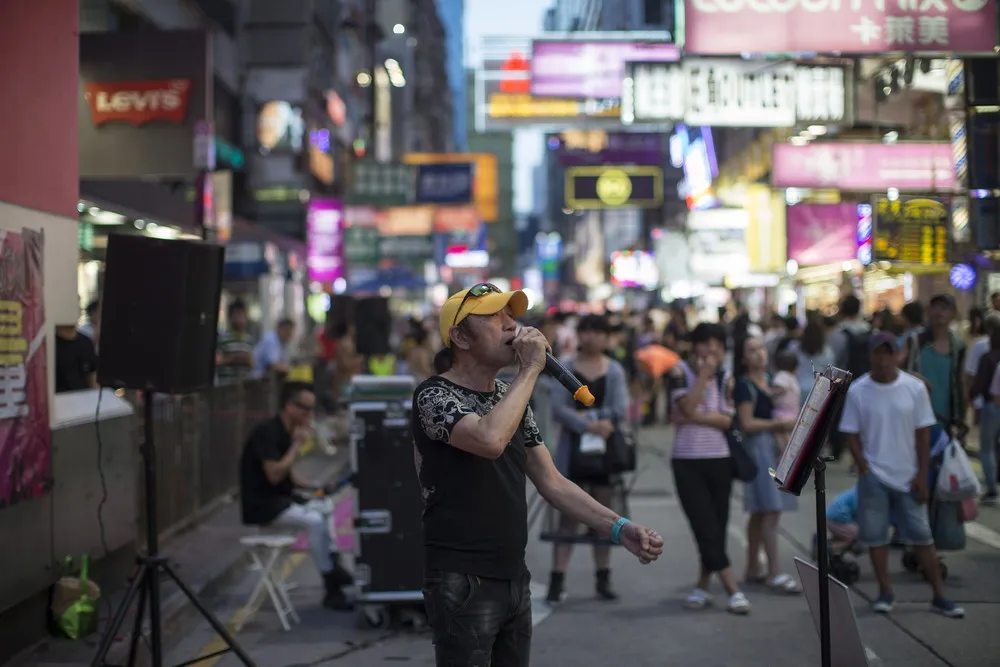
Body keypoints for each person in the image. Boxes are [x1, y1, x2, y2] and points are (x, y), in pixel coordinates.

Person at [413, 284, 663, 667]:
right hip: (462, 579)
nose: (512, 326)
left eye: (511, 316)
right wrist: (530, 369)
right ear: (460, 337)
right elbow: (489, 439)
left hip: (513, 572)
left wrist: (619, 527)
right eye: (496, 318)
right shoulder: (433, 396)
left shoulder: (505, 395)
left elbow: (551, 480)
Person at [839, 333, 964, 618]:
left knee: (922, 536)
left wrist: (922, 474)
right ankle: (885, 592)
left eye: (888, 353)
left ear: (896, 355)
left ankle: (939, 594)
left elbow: (923, 434)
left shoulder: (914, 388)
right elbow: (851, 434)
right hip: (874, 476)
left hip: (908, 476)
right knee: (876, 538)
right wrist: (864, 467)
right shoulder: (859, 390)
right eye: (877, 354)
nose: (882, 360)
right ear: (870, 356)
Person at [239, 382, 353, 611]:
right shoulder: (268, 432)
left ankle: (333, 570)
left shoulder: (286, 432)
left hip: (282, 500)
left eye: (312, 409)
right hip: (264, 506)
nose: (309, 415)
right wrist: (297, 446)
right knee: (314, 522)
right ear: (289, 406)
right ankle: (331, 577)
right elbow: (274, 474)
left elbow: (289, 476)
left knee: (326, 506)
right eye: (304, 408)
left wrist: (315, 485)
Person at [546, 314, 631, 603]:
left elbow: (621, 407)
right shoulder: (565, 367)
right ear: (579, 335)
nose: (592, 337)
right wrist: (588, 425)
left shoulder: (615, 370)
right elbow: (558, 408)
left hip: (604, 454)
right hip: (573, 453)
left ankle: (603, 577)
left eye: (598, 332)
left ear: (607, 337)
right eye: (587, 331)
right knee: (568, 515)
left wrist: (601, 421)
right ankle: (557, 580)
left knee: (604, 517)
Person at [668, 322, 751, 614]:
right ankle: (732, 588)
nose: (712, 348)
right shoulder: (679, 372)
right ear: (695, 345)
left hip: (720, 458)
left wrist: (690, 416)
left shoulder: (726, 377)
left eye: (717, 342)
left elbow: (728, 421)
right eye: (705, 342)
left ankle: (703, 586)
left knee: (716, 526)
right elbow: (685, 408)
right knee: (703, 524)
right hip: (686, 460)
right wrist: (702, 378)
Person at [734, 338, 800, 594]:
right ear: (743, 358)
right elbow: (747, 424)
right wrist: (777, 426)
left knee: (760, 512)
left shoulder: (770, 381)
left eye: (761, 348)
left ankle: (753, 567)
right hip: (758, 451)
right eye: (751, 350)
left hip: (770, 450)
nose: (759, 354)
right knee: (771, 509)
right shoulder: (745, 385)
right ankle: (774, 571)